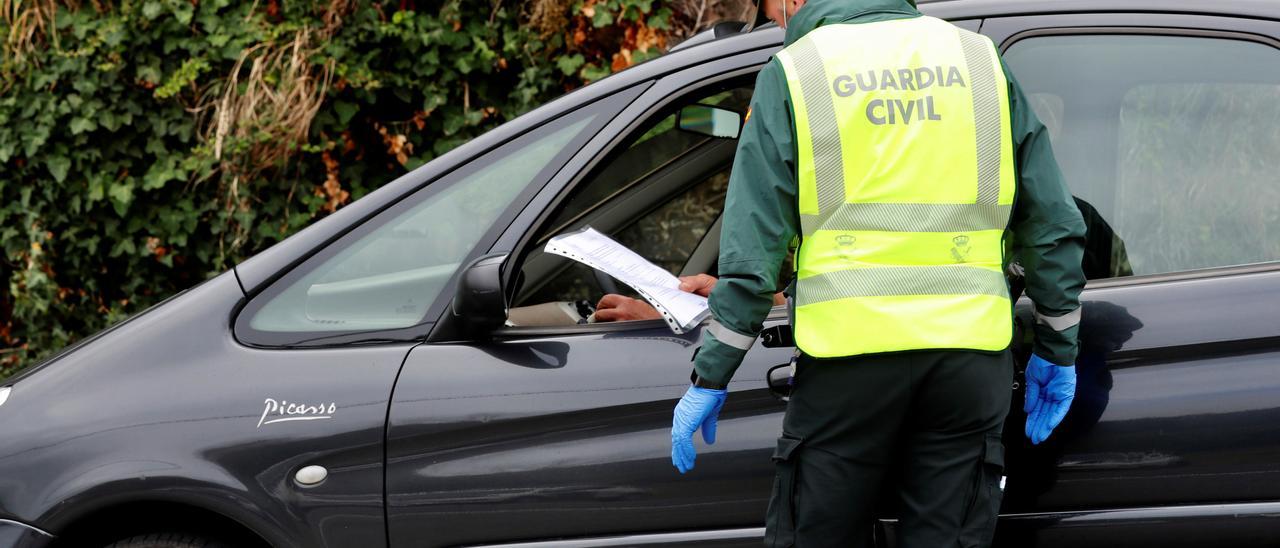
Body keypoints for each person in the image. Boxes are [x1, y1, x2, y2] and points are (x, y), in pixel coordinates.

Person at [667, 0, 1088, 547]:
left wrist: (712, 373)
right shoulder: (978, 59)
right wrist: (1058, 347)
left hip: (849, 366)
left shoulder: (799, 70)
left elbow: (752, 253)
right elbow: (1051, 223)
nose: (779, 24)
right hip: (969, 362)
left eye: (772, 11)